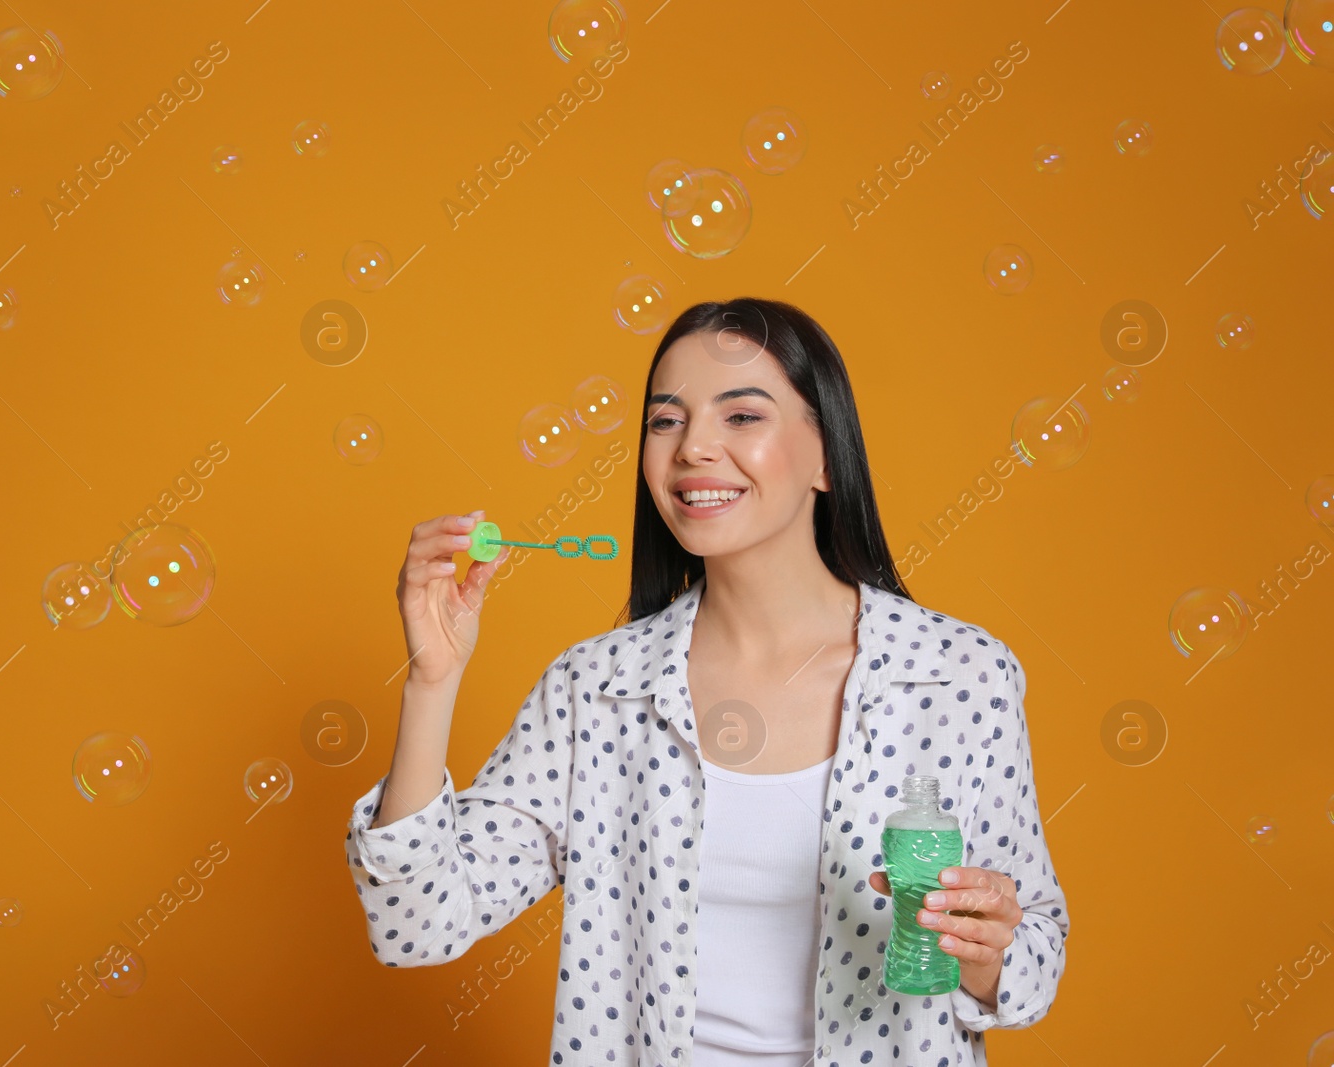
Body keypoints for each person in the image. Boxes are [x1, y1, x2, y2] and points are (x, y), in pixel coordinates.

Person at [344, 297, 1069, 1067]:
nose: (694, 447)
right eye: (666, 421)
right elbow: (414, 925)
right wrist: (432, 681)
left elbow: (1036, 961)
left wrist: (986, 955)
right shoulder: (598, 692)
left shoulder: (958, 678)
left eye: (742, 417)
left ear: (826, 455)